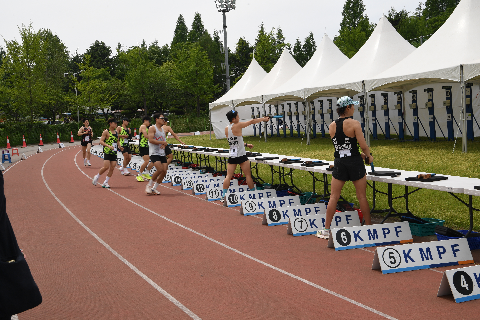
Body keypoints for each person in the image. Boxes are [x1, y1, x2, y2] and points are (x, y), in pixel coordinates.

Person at [317, 96, 373, 239]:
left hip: (340, 162)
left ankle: (326, 229)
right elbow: (363, 145)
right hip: (354, 162)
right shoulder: (354, 123)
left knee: (333, 196)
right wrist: (368, 156)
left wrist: (357, 154)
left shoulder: (332, 126)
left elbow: (342, 146)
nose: (354, 108)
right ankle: (368, 228)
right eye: (352, 106)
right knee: (362, 197)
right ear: (347, 108)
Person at [222, 110, 269, 199]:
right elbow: (251, 121)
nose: (239, 118)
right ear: (233, 118)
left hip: (232, 154)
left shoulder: (226, 128)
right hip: (241, 155)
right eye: (238, 116)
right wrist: (263, 119)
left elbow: (234, 141)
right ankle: (253, 194)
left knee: (228, 176)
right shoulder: (238, 125)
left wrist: (246, 145)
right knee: (248, 175)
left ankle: (223, 195)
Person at [92, 118, 120, 188]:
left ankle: (105, 182)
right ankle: (97, 177)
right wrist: (108, 146)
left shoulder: (116, 132)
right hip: (107, 151)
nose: (116, 124)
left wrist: (120, 146)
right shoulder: (106, 132)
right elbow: (101, 141)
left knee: (112, 167)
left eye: (116, 123)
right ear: (110, 123)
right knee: (106, 167)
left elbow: (117, 141)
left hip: (114, 152)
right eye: (114, 123)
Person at [145, 113, 169, 195]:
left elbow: (163, 141)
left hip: (162, 153)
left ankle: (154, 188)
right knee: (160, 169)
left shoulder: (163, 130)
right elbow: (151, 140)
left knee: (164, 171)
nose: (163, 120)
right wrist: (162, 142)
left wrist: (164, 144)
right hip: (154, 153)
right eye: (161, 118)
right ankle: (149, 185)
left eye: (163, 118)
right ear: (156, 119)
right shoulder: (152, 128)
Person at [136, 116, 155, 182]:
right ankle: (139, 175)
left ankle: (146, 173)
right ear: (145, 120)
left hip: (148, 146)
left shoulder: (147, 127)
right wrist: (154, 138)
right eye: (149, 121)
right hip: (143, 146)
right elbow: (145, 136)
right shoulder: (143, 126)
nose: (149, 123)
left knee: (153, 160)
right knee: (146, 161)